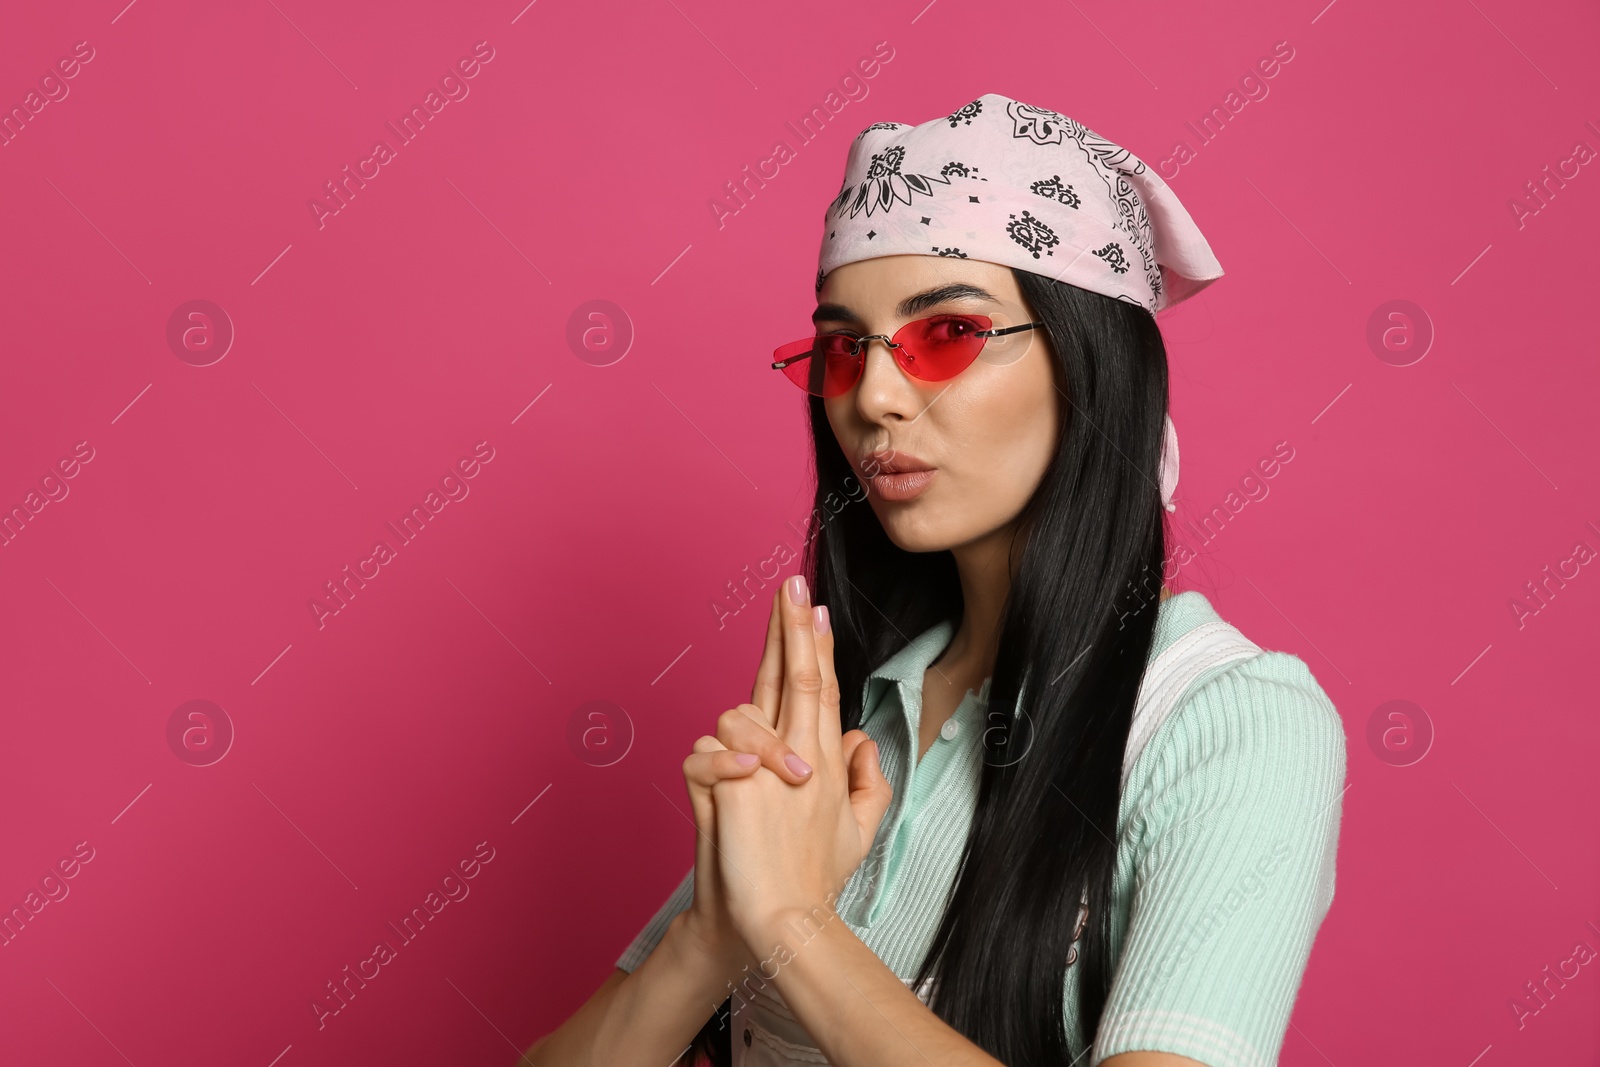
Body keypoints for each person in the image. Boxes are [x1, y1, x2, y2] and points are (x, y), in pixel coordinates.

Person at [525, 92, 1346, 1067]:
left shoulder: (1229, 718)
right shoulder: (858, 716)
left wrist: (791, 916)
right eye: (844, 345)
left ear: (1090, 362)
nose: (872, 396)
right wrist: (716, 926)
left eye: (947, 333)